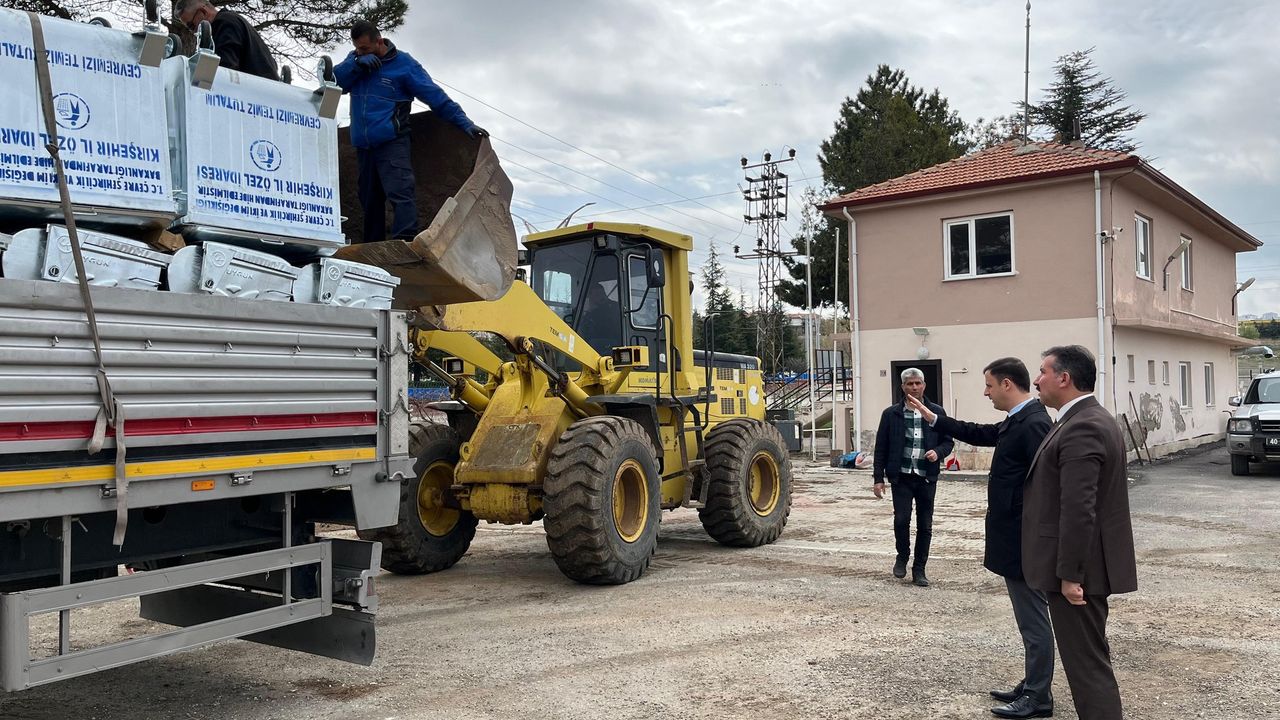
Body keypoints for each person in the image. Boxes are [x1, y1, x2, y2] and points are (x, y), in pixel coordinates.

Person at [906, 358, 1054, 719]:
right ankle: (1034, 684)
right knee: (1028, 619)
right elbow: (980, 433)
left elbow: (1048, 486)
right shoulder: (1019, 418)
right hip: (1014, 537)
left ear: (1006, 384)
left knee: (1034, 620)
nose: (986, 392)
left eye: (989, 385)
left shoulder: (1034, 422)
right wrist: (933, 418)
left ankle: (1038, 697)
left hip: (1024, 539)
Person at [1026, 345, 1137, 720]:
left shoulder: (1084, 425)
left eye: (1043, 372)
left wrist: (1071, 575)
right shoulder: (1082, 419)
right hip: (1082, 567)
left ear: (1064, 378)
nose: (1037, 380)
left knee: (1087, 667)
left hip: (1081, 572)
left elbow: (1078, 508)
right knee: (1088, 661)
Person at [334, 20, 488, 244]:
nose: (359, 52)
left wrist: (464, 122)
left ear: (379, 41)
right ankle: (371, 245)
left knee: (400, 192)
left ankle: (405, 241)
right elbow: (336, 82)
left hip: (392, 141)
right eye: (357, 48)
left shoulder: (404, 65)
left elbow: (435, 96)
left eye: (364, 48)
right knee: (369, 200)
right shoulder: (356, 59)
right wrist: (356, 64)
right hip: (364, 146)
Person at [872, 368, 953, 587]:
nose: (914, 387)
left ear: (924, 386)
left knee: (925, 524)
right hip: (902, 477)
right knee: (901, 519)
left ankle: (919, 569)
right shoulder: (891, 414)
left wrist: (938, 452)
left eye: (918, 383)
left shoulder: (936, 412)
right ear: (903, 387)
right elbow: (881, 447)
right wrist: (878, 478)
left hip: (926, 477)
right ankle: (902, 556)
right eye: (910, 384)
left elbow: (948, 441)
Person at [174, 0, 280, 81]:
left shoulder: (224, 24)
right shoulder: (232, 20)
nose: (193, 32)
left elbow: (225, 70)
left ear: (203, 12)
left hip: (256, 96)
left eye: (191, 26)